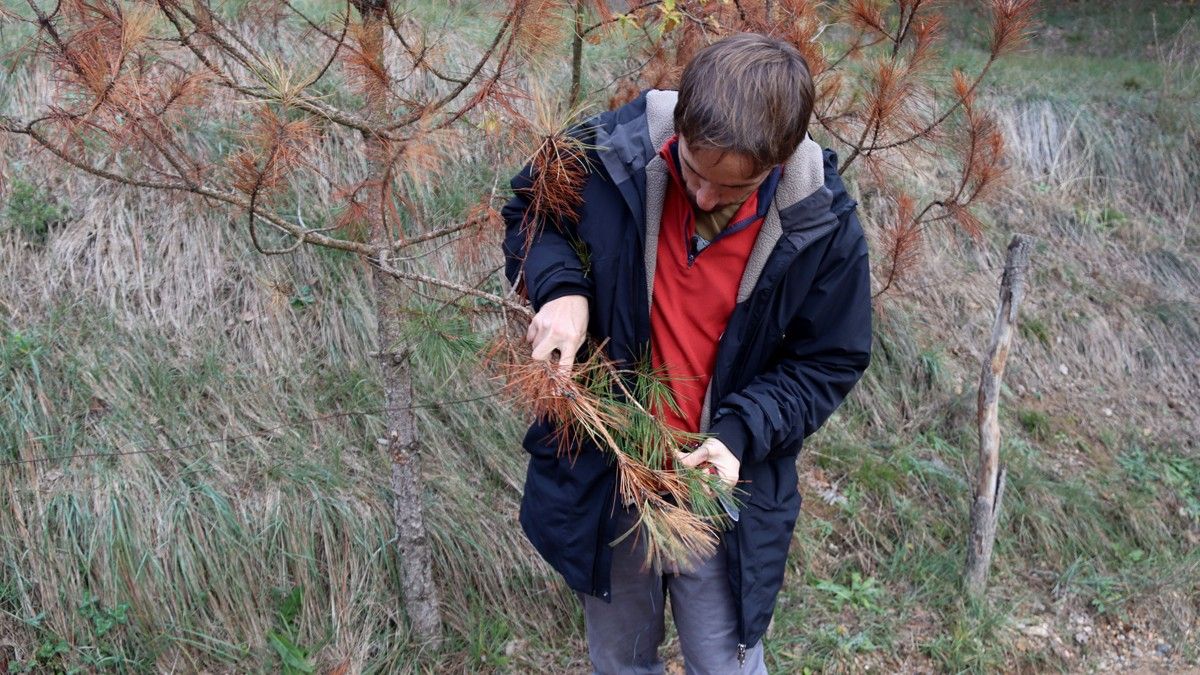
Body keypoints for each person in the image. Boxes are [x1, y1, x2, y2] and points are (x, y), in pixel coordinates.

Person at [502, 33, 872, 673]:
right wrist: (560, 290)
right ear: (679, 125)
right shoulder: (611, 153)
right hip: (610, 468)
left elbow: (828, 360)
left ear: (777, 162)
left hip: (717, 491)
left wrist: (737, 434)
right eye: (692, 170)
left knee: (724, 662)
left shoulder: (823, 226)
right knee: (620, 662)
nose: (702, 197)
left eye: (730, 188)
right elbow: (532, 215)